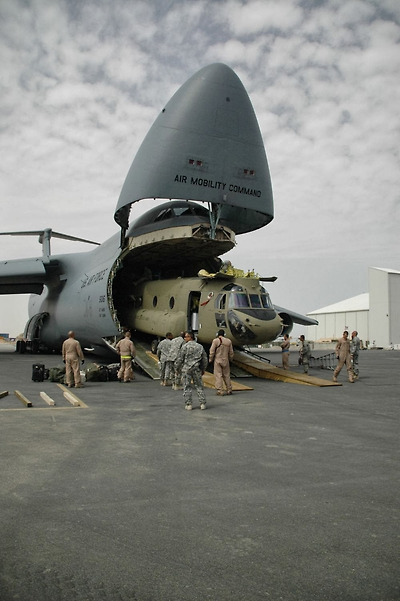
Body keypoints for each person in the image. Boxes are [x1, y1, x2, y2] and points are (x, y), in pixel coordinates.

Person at [175, 331, 208, 410]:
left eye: (186, 337)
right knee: (199, 386)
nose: (184, 338)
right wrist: (203, 369)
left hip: (186, 369)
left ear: (190, 337)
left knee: (187, 387)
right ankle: (202, 403)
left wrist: (177, 368)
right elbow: (204, 359)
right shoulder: (200, 346)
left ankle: (189, 404)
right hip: (196, 369)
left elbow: (180, 359)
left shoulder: (184, 347)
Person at [209, 329, 234, 395]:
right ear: (224, 334)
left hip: (218, 360)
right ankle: (229, 389)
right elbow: (231, 352)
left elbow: (212, 351)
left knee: (218, 375)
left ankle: (220, 390)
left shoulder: (215, 341)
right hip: (226, 360)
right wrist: (231, 360)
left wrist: (210, 359)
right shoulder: (229, 341)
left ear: (217, 334)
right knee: (227, 375)